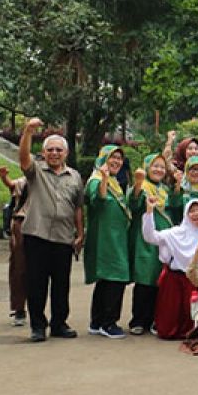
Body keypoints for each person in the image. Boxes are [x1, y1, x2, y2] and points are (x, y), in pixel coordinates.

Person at [18, 118, 84, 342]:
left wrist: (80, 233)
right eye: (50, 150)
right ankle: (38, 326)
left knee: (61, 284)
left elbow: (77, 207)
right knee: (36, 283)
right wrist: (28, 131)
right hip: (37, 234)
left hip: (63, 237)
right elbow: (24, 157)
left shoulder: (74, 176)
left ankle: (59, 323)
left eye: (59, 150)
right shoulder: (35, 171)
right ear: (44, 153)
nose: (54, 153)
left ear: (66, 153)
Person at [142, 196, 198, 339]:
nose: (196, 214)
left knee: (192, 319)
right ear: (186, 215)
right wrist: (150, 212)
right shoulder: (174, 233)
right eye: (192, 211)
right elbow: (150, 237)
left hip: (195, 281)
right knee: (168, 322)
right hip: (173, 280)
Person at [83, 145, 132, 339]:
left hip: (115, 238)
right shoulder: (96, 180)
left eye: (119, 158)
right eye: (112, 158)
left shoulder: (115, 182)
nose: (116, 162)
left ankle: (96, 321)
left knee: (105, 280)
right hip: (106, 238)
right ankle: (108, 322)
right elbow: (99, 200)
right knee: (115, 277)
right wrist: (103, 178)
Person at [128, 154, 176, 335]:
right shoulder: (142, 186)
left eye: (162, 167)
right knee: (144, 279)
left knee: (159, 280)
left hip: (162, 240)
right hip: (144, 240)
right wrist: (139, 183)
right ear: (147, 167)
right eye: (155, 166)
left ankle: (155, 319)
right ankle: (138, 320)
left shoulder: (164, 189)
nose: (159, 170)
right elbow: (133, 203)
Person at [0, 165, 28, 328]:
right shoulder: (25, 182)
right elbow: (12, 185)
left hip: (46, 227)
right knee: (19, 268)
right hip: (22, 224)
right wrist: (3, 177)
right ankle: (19, 308)